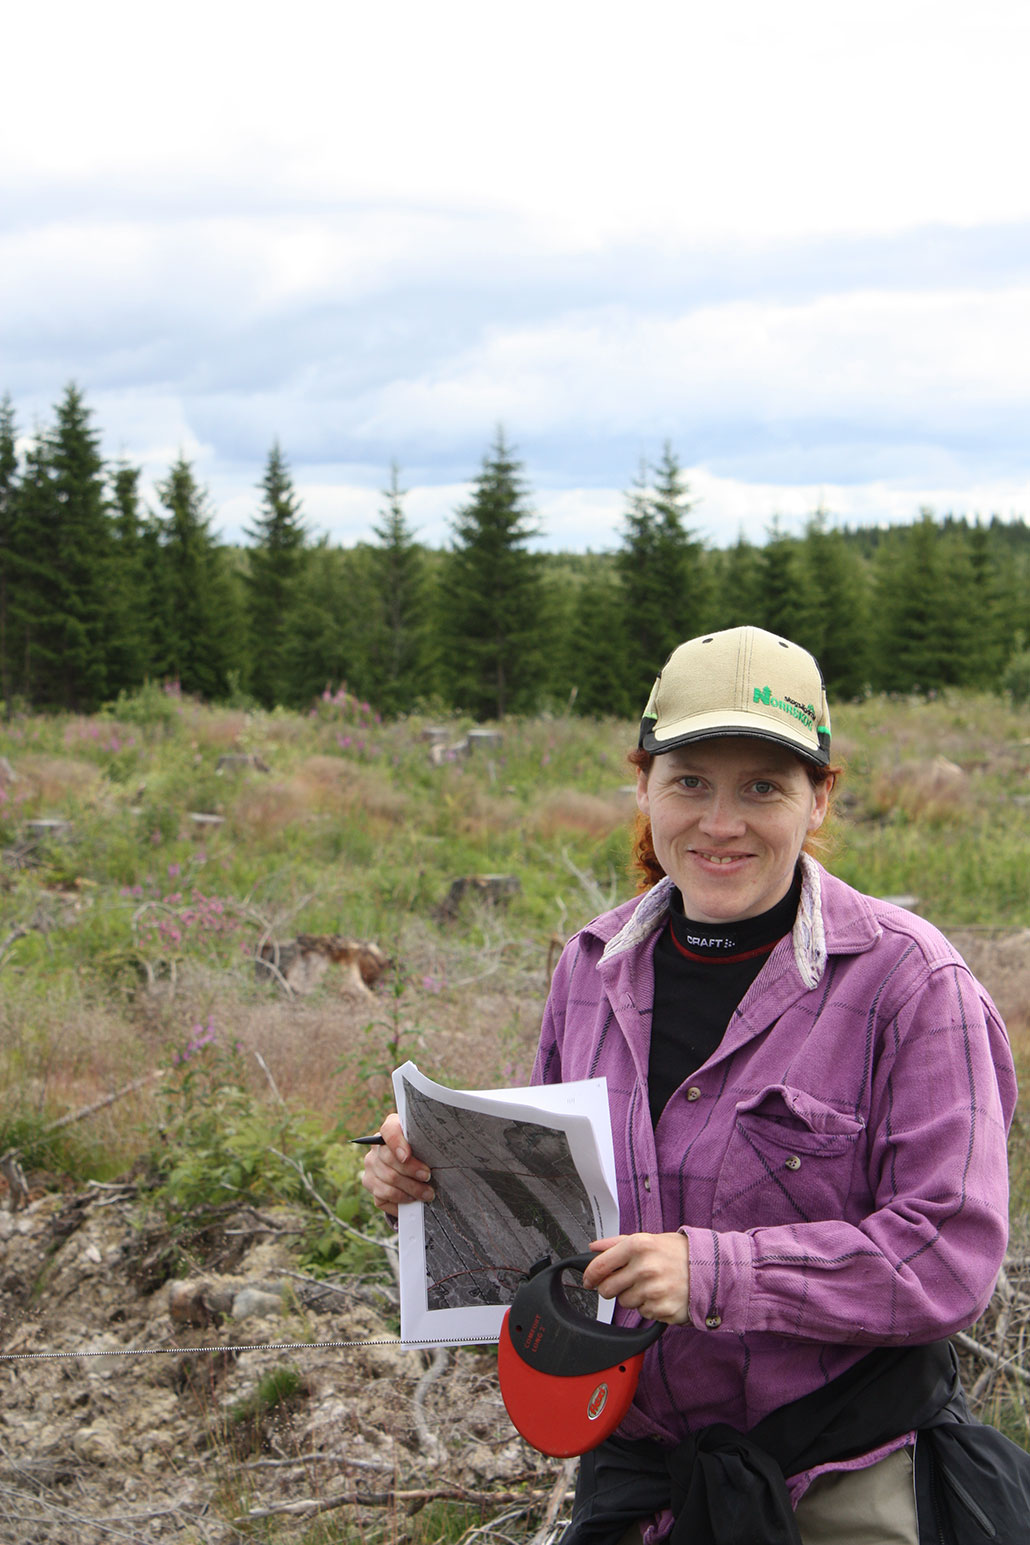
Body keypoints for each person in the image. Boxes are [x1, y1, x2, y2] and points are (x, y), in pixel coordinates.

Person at [363, 626, 1024, 1545]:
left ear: (819, 798)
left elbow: (947, 1258)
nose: (721, 822)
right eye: (690, 782)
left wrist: (714, 1270)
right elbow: (561, 1223)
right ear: (644, 786)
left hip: (843, 1481)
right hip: (641, 1481)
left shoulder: (912, 986)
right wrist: (435, 1186)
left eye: (763, 785)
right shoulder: (591, 968)